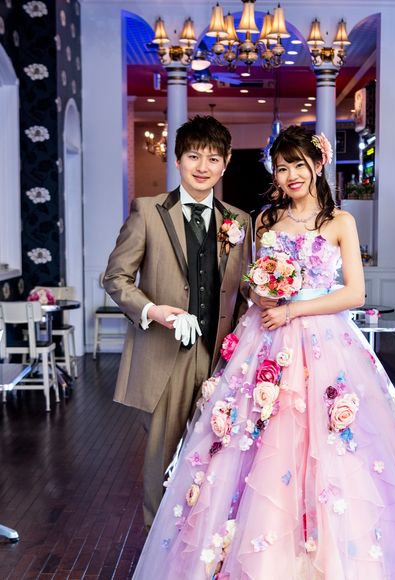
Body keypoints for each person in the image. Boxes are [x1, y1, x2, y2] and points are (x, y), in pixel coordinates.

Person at [132, 126, 395, 579]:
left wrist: (295, 309)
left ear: (319, 165)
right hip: (266, 338)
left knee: (335, 444)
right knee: (257, 440)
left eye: (299, 165)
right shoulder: (264, 221)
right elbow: (249, 281)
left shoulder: (341, 222)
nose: (291, 175)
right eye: (282, 168)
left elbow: (355, 294)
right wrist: (261, 293)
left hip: (324, 341)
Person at [103, 115, 252, 529]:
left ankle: (200, 546)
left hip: (220, 358)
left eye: (213, 158)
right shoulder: (148, 211)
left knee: (217, 455)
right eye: (193, 156)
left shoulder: (239, 221)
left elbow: (242, 292)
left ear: (225, 164)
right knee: (162, 462)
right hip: (165, 355)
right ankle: (159, 548)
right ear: (178, 159)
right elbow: (115, 278)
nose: (203, 167)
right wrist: (153, 310)